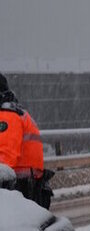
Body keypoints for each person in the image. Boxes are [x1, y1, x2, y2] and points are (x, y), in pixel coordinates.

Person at [0, 73, 50, 208]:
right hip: (28, 187)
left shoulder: (7, 116)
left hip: (20, 188)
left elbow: (5, 158)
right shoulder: (15, 112)